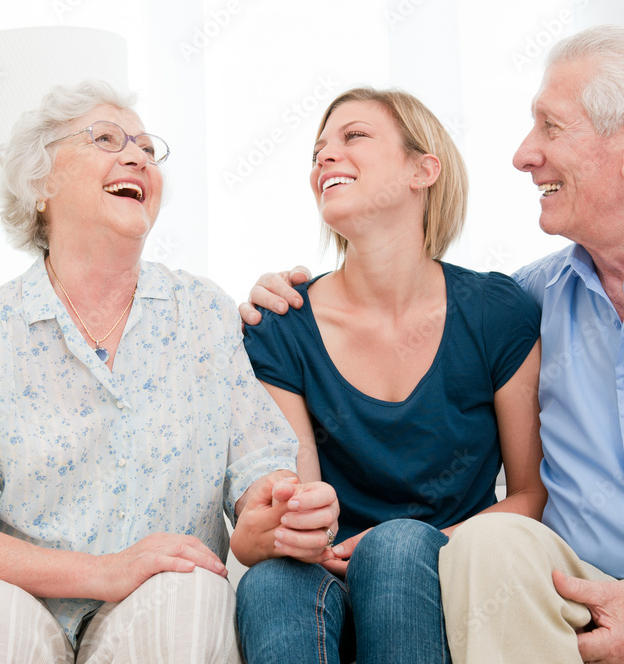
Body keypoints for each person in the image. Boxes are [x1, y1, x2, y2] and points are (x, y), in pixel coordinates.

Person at [242, 26, 624, 664]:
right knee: (488, 545)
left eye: (551, 128)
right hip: (575, 606)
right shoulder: (532, 299)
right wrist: (273, 294)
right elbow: (417, 298)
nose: (524, 155)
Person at [0, 79, 338, 664]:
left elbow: (259, 477)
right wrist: (102, 572)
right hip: (12, 607)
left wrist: (277, 513)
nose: (137, 157)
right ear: (41, 184)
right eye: (106, 139)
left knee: (190, 596)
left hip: (155, 611)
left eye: (148, 149)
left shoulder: (202, 313)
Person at [234, 87, 546, 664]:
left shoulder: (496, 312)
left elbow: (530, 494)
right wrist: (291, 527)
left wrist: (408, 543)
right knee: (271, 583)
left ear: (422, 170)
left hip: (448, 571)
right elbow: (299, 497)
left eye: (353, 136)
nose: (325, 157)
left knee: (398, 545)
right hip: (327, 577)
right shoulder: (281, 324)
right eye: (317, 150)